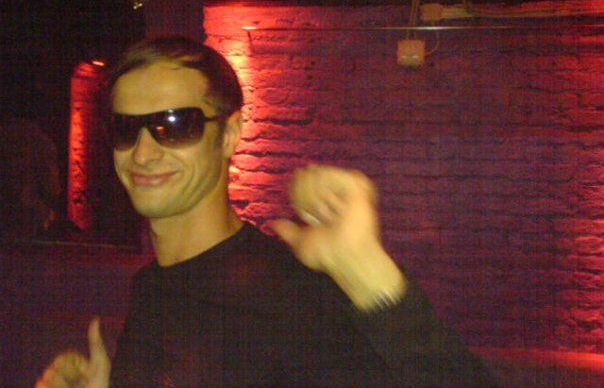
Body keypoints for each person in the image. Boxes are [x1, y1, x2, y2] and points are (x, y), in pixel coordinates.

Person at [37, 36, 499, 387]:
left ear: (229, 134)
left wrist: (368, 275)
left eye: (175, 125)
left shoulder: (295, 295)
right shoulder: (151, 288)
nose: (142, 153)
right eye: (126, 129)